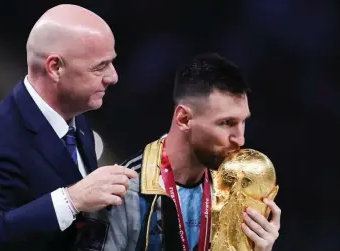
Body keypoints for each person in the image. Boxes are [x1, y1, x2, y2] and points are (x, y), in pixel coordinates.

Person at [0, 4, 137, 251]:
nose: (113, 77)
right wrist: (71, 200)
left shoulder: (77, 118)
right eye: (99, 67)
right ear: (55, 68)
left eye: (111, 63)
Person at [75, 53, 281, 251]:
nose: (240, 139)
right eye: (226, 123)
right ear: (183, 119)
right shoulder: (122, 192)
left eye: (243, 121)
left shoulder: (233, 189)